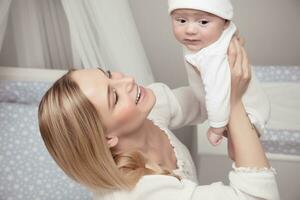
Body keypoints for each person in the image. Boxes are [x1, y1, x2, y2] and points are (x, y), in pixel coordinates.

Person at [38, 37, 279, 199]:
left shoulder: (150, 110)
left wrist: (212, 53)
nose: (127, 81)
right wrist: (234, 104)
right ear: (107, 138)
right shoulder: (143, 191)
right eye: (114, 96)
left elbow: (202, 101)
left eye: (110, 74)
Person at [168, 0, 270, 146]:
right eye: (182, 20)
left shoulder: (212, 56)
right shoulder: (216, 35)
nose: (190, 30)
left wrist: (217, 128)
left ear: (225, 23)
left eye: (203, 22)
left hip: (248, 113)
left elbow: (217, 93)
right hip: (253, 104)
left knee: (240, 146)